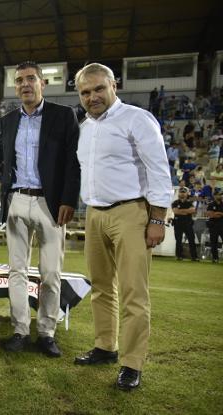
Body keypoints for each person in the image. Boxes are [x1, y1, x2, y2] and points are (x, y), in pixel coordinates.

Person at [0, 61, 80, 358]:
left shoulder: (63, 115)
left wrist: (69, 199)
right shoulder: (8, 121)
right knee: (17, 271)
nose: (25, 84)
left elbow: (72, 161)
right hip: (17, 199)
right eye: (19, 81)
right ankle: (19, 330)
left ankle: (46, 332)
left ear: (42, 83)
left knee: (50, 273)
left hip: (51, 202)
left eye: (31, 79)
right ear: (15, 87)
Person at [74, 63, 172, 391]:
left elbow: (159, 171)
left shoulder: (136, 119)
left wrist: (157, 219)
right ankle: (106, 346)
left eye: (98, 88)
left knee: (134, 291)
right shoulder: (85, 127)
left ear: (114, 85)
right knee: (101, 286)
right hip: (94, 213)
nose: (92, 97)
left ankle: (132, 363)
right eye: (85, 92)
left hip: (132, 212)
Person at [171, 187, 198, 261]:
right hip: (178, 224)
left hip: (188, 224)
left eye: (184, 192)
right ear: (179, 193)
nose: (182, 194)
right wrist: (186, 211)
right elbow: (176, 212)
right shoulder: (175, 203)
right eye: (181, 192)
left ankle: (194, 257)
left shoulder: (190, 203)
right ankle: (179, 256)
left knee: (191, 240)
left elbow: (192, 211)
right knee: (178, 241)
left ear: (186, 194)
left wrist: (181, 211)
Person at [206, 189, 223, 263]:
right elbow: (210, 214)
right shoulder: (211, 204)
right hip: (213, 226)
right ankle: (215, 258)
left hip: (222, 226)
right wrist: (220, 214)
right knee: (213, 243)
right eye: (218, 194)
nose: (219, 196)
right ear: (214, 196)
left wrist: (215, 214)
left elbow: (214, 214)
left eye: (220, 194)